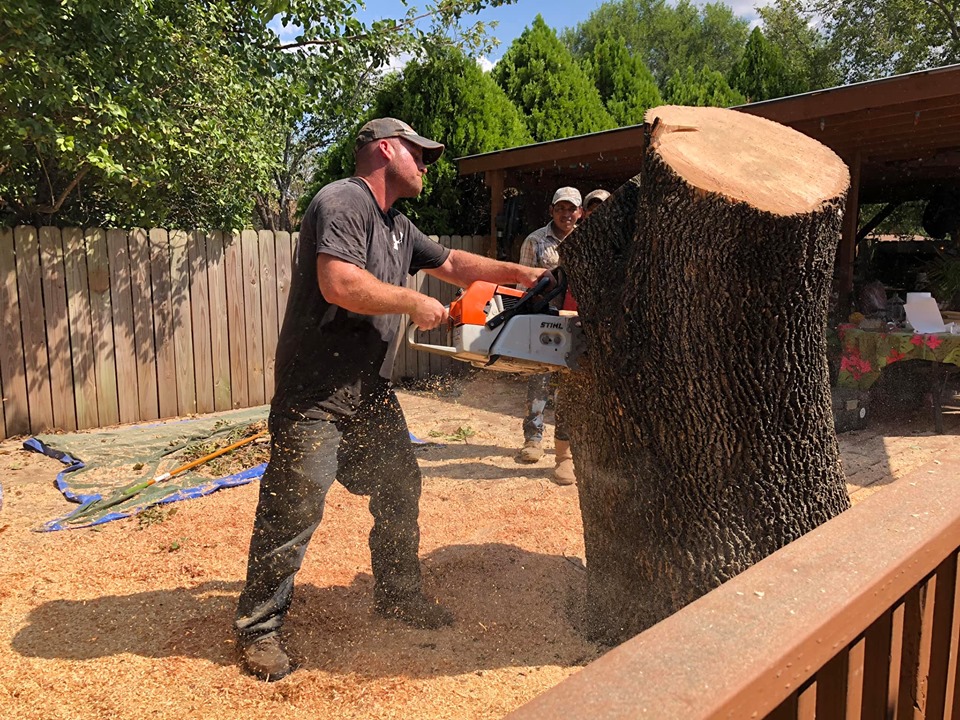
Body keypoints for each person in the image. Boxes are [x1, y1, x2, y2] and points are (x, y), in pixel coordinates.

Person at [235, 117, 550, 682]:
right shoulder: (343, 201)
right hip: (315, 394)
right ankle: (259, 628)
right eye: (418, 153)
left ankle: (398, 595)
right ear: (385, 149)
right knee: (295, 506)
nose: (426, 164)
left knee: (400, 486)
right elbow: (339, 283)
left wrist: (522, 274)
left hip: (369, 392)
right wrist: (412, 302)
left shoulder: (398, 225)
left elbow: (453, 264)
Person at [515, 186, 582, 486]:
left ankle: (564, 452)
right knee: (538, 379)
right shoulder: (536, 241)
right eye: (561, 208)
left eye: (571, 209)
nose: (566, 214)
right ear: (552, 210)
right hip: (543, 318)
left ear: (579, 212)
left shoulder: (587, 239)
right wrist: (523, 319)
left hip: (574, 321)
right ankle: (533, 438)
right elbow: (524, 283)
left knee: (568, 386)